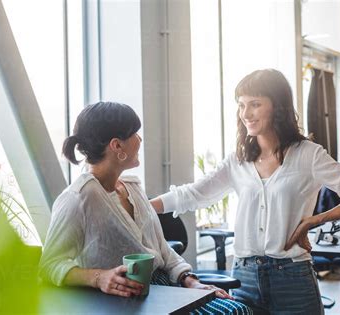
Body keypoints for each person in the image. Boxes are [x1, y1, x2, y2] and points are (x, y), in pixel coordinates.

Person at [150, 69, 340, 314]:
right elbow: (192, 194)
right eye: (241, 105)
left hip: (293, 278)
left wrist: (313, 221)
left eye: (255, 104)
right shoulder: (238, 160)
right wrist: (139, 206)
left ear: (278, 107)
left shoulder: (308, 155)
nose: (245, 114)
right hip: (244, 277)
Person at [38, 102, 251, 314]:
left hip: (166, 290)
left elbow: (163, 249)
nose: (140, 139)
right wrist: (99, 277)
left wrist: (190, 280)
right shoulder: (78, 198)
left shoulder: (132, 187)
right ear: (117, 146)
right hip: (123, 301)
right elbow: (49, 265)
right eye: (135, 134)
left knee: (239, 310)